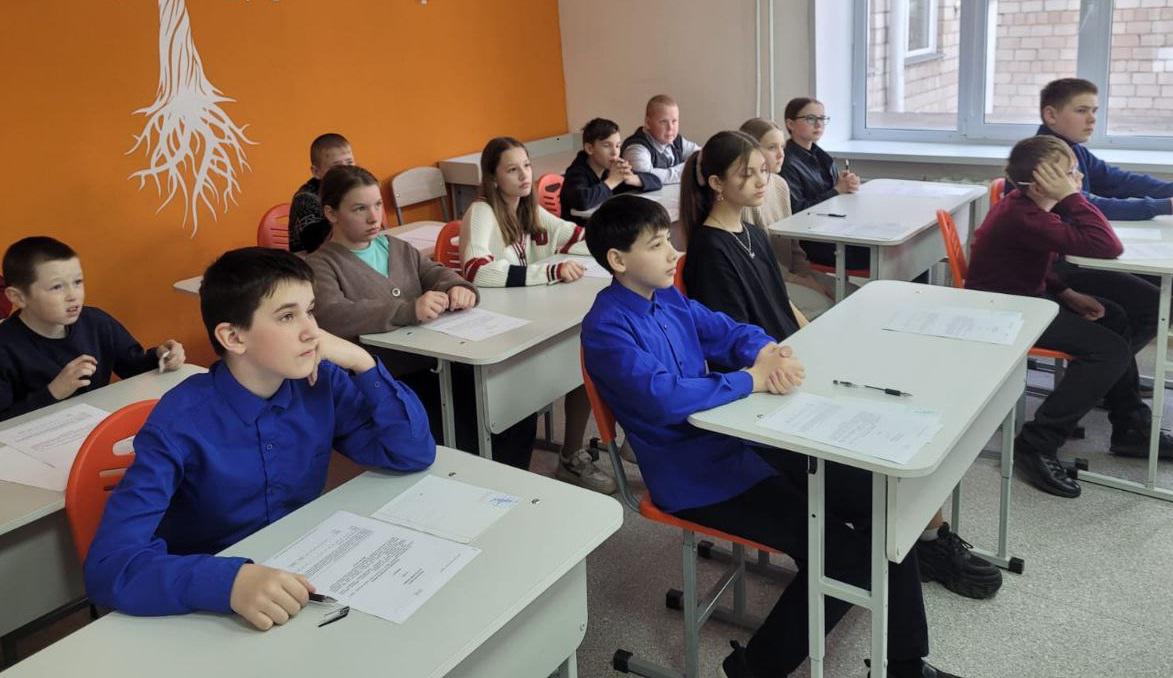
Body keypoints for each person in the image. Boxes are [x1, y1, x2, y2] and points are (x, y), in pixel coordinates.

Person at [582, 194, 960, 678]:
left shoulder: (666, 297)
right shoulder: (606, 328)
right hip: (694, 478)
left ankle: (904, 665)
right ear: (618, 260)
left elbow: (726, 330)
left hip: (741, 441)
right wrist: (749, 380)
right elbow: (663, 396)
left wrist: (766, 351)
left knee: (881, 503)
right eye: (657, 245)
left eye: (668, 240)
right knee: (846, 558)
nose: (674, 252)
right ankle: (753, 669)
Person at [682, 130, 1002, 600]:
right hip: (768, 386)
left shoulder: (751, 232)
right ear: (715, 183)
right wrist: (798, 358)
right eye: (746, 174)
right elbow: (734, 341)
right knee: (877, 447)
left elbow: (782, 302)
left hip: (792, 359)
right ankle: (921, 542)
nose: (761, 181)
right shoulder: (709, 250)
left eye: (763, 171)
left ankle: (928, 537)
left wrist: (815, 335)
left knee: (898, 407)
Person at [84, 247, 435, 628]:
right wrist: (229, 582)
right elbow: (109, 566)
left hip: (304, 575)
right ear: (234, 337)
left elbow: (411, 453)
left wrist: (361, 361)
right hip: (211, 607)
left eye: (310, 310)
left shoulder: (320, 383)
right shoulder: (178, 423)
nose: (312, 332)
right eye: (287, 316)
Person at [966, 135, 1173, 498]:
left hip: (1027, 296)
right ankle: (1036, 443)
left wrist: (1065, 292)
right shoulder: (1026, 215)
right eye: (1068, 173)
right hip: (1005, 310)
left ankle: (1129, 425)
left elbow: (1032, 263)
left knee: (1115, 317)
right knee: (1108, 351)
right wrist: (1071, 197)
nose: (1077, 178)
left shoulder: (1030, 207)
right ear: (1041, 183)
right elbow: (1107, 245)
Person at [460, 136, 613, 491]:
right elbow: (476, 270)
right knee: (563, 366)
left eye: (527, 166)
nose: (524, 175)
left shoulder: (529, 209)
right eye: (512, 170)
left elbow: (576, 237)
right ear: (493, 178)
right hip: (499, 327)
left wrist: (611, 244)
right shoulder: (482, 212)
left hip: (532, 315)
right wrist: (549, 271)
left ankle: (572, 454)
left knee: (584, 359)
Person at [305, 164, 479, 448]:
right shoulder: (320, 264)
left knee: (492, 400)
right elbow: (333, 314)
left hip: (435, 361)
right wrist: (407, 310)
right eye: (360, 209)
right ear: (331, 213)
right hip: (386, 378)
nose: (374, 217)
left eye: (378, 205)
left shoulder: (396, 247)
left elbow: (435, 273)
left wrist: (456, 286)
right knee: (451, 427)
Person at [1, 236, 185, 421]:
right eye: (57, 287)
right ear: (18, 297)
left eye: (78, 282)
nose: (73, 295)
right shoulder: (5, 346)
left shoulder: (96, 323)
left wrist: (163, 357)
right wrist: (53, 392)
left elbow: (135, 366)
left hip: (95, 427)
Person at [739, 117, 836, 319]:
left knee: (852, 294)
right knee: (826, 307)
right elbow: (760, 262)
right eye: (772, 147)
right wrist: (802, 282)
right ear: (751, 151)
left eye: (782, 147)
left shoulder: (780, 184)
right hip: (769, 281)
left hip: (791, 274)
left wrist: (806, 275)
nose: (781, 154)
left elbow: (794, 246)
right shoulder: (747, 195)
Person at [1036, 78, 1173, 221]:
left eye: (1094, 111)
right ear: (1051, 115)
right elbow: (1087, 205)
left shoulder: (1074, 149)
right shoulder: (1043, 158)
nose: (1092, 119)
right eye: (1081, 111)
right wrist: (1165, 206)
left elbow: (1120, 181)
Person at [780, 97, 868, 270]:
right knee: (886, 253)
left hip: (834, 228)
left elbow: (832, 192)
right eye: (810, 118)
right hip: (812, 241)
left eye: (822, 118)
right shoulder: (787, 163)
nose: (818, 124)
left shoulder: (820, 155)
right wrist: (837, 190)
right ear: (790, 124)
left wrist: (846, 184)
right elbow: (797, 211)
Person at [561, 117, 661, 221]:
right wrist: (612, 181)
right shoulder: (576, 172)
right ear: (590, 149)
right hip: (580, 228)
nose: (615, 152)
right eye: (607, 146)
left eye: (617, 146)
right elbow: (582, 201)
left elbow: (656, 181)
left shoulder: (609, 168)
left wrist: (633, 179)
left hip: (606, 222)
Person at [289, 133, 355, 253]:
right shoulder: (305, 199)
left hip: (350, 253)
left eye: (350, 163)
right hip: (313, 259)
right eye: (337, 167)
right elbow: (316, 245)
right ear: (316, 172)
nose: (346, 171)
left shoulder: (356, 189)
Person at [620, 94, 700, 185]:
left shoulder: (676, 140)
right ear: (648, 123)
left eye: (674, 121)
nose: (670, 128)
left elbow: (702, 155)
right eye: (663, 122)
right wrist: (687, 170)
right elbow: (645, 177)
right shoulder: (635, 149)